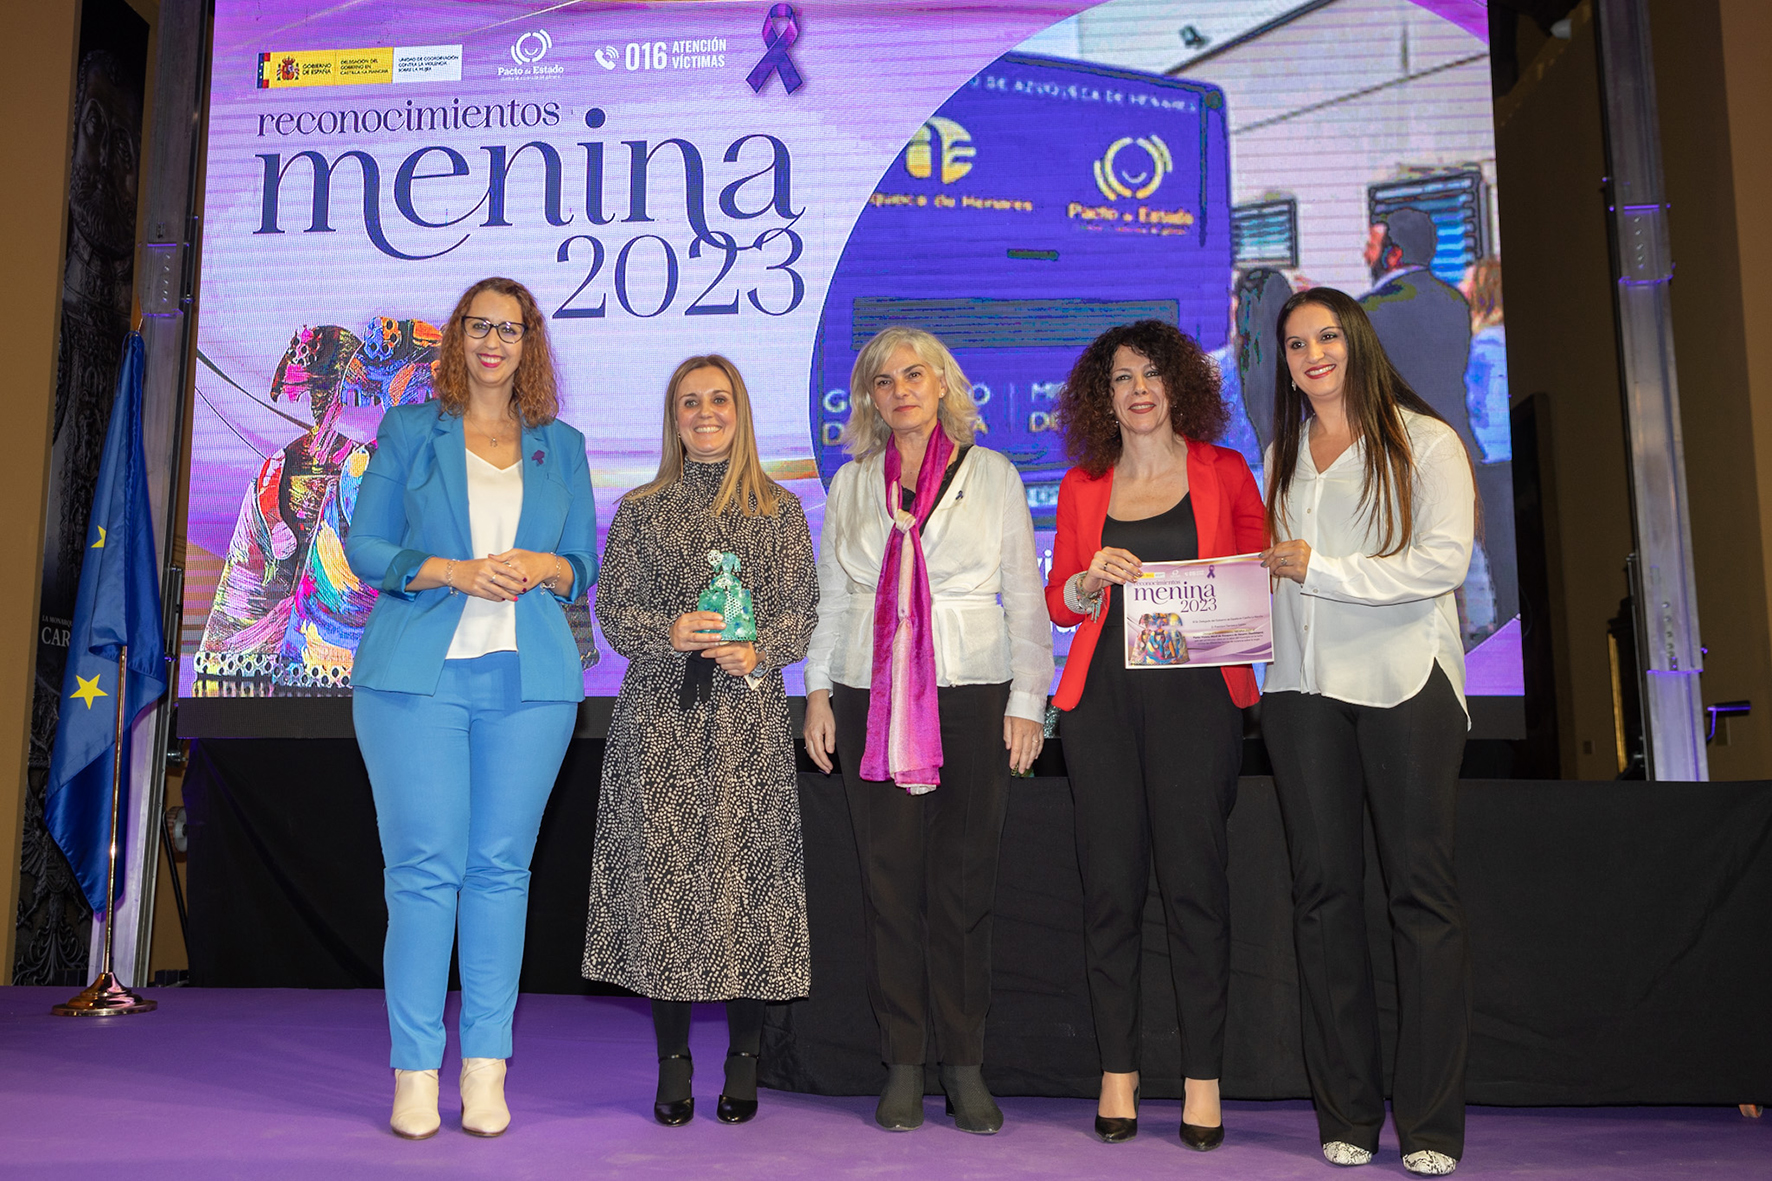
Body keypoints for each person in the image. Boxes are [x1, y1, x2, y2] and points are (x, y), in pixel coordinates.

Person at [345, 277, 599, 1140]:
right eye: (479, 326)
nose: (494, 342)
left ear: (531, 344)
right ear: (457, 338)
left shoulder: (562, 445)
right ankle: (415, 1071)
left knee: (500, 873)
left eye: (511, 329)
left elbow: (581, 563)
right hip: (414, 680)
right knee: (423, 873)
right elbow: (365, 545)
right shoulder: (409, 429)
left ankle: (486, 1068)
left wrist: (544, 565)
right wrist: (453, 571)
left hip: (529, 685)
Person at [802, 327, 1054, 1135]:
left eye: (915, 374)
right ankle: (903, 1063)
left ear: (944, 384)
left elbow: (1025, 594)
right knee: (888, 888)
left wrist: (1029, 699)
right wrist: (816, 692)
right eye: (884, 380)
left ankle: (965, 1065)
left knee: (962, 889)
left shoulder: (994, 474)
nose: (901, 389)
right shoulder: (852, 483)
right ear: (869, 398)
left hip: (972, 692)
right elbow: (833, 597)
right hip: (868, 693)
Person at [1258, 287, 1476, 1176]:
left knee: (1420, 899)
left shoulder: (1426, 440)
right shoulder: (1281, 453)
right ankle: (1346, 1111)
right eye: (1295, 343)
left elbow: (1443, 562)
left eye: (1326, 337)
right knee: (1322, 899)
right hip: (1300, 689)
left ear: (1357, 341)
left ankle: (1429, 1124)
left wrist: (1323, 569)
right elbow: (1272, 573)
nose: (1312, 353)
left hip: (1404, 680)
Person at [1045, 320, 1264, 1151]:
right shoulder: (1082, 485)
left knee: (1195, 892)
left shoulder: (1224, 470)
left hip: (1198, 704)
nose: (1138, 390)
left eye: (1152, 374)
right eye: (1122, 378)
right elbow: (1059, 601)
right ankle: (1119, 1072)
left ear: (1179, 385)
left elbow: (1257, 576)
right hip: (1101, 706)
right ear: (1102, 397)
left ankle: (1203, 1079)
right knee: (1109, 891)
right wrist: (1085, 580)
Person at [582, 355, 818, 1128]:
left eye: (719, 399)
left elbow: (802, 612)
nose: (705, 412)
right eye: (690, 401)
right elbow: (615, 614)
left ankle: (744, 1058)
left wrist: (762, 648)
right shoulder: (641, 509)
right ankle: (673, 1062)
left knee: (747, 888)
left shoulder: (779, 509)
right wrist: (670, 629)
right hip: (661, 724)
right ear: (673, 416)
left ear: (739, 410)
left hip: (748, 725)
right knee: (670, 890)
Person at [1459, 256, 1517, 631]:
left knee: (1495, 547)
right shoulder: (1504, 338)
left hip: (1489, 457)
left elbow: (1478, 404)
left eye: (1468, 282)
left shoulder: (1483, 344)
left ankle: (1506, 619)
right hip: (1507, 455)